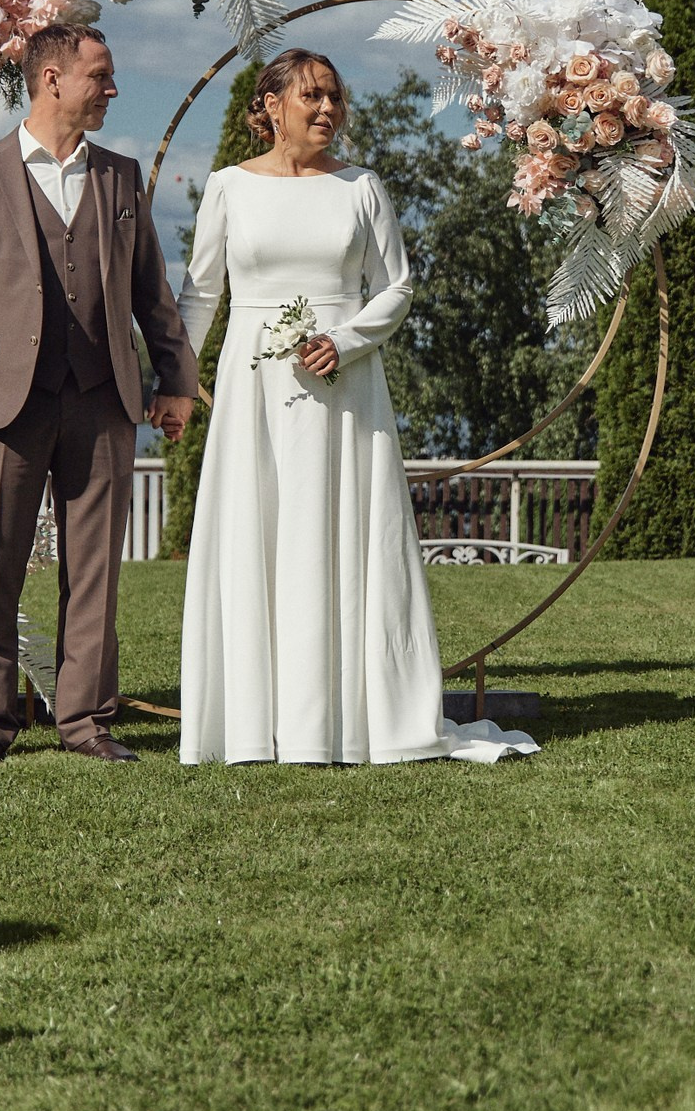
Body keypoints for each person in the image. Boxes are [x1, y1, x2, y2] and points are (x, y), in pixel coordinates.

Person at [173, 49, 536, 765]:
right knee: (256, 532)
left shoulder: (361, 187)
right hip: (254, 392)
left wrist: (344, 340)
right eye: (311, 96)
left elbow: (397, 286)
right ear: (270, 105)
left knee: (339, 534)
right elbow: (202, 293)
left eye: (334, 97)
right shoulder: (227, 187)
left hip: (345, 391)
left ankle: (340, 721)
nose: (327, 109)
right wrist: (177, 383)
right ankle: (251, 725)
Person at [0, 24, 200, 764]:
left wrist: (176, 380)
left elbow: (152, 292)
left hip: (103, 395)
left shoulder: (120, 176)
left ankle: (86, 721)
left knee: (95, 569)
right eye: (100, 75)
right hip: (1, 400)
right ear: (53, 79)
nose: (112, 88)